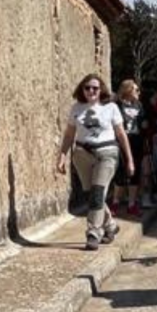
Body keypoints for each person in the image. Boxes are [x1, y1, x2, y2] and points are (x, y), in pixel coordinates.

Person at [55, 75, 135, 250]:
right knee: (91, 194)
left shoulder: (111, 107)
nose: (91, 91)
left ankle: (93, 232)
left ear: (101, 91)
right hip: (82, 154)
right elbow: (69, 135)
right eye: (87, 88)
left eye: (95, 88)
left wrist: (129, 160)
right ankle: (111, 225)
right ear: (82, 90)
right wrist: (61, 156)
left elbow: (121, 134)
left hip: (107, 153)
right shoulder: (76, 108)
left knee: (98, 192)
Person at [111, 79, 147, 217]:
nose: (139, 92)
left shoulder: (139, 105)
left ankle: (132, 204)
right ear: (128, 90)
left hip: (136, 140)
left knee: (135, 172)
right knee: (120, 171)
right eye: (136, 90)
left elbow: (144, 120)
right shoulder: (117, 105)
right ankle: (115, 202)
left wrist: (144, 124)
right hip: (121, 141)